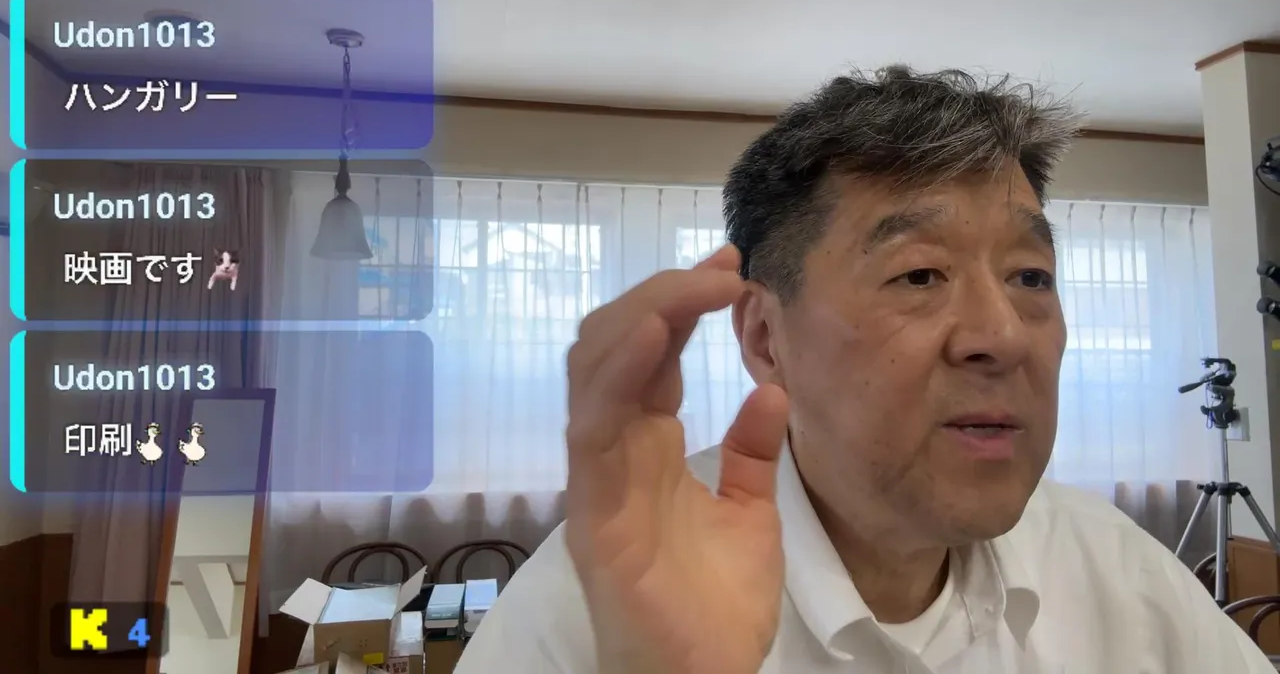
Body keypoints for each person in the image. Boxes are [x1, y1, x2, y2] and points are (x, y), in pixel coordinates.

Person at [453, 67, 1275, 673]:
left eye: (1031, 277)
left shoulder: (1114, 572)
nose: (1002, 335)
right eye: (920, 276)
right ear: (766, 339)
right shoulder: (596, 611)